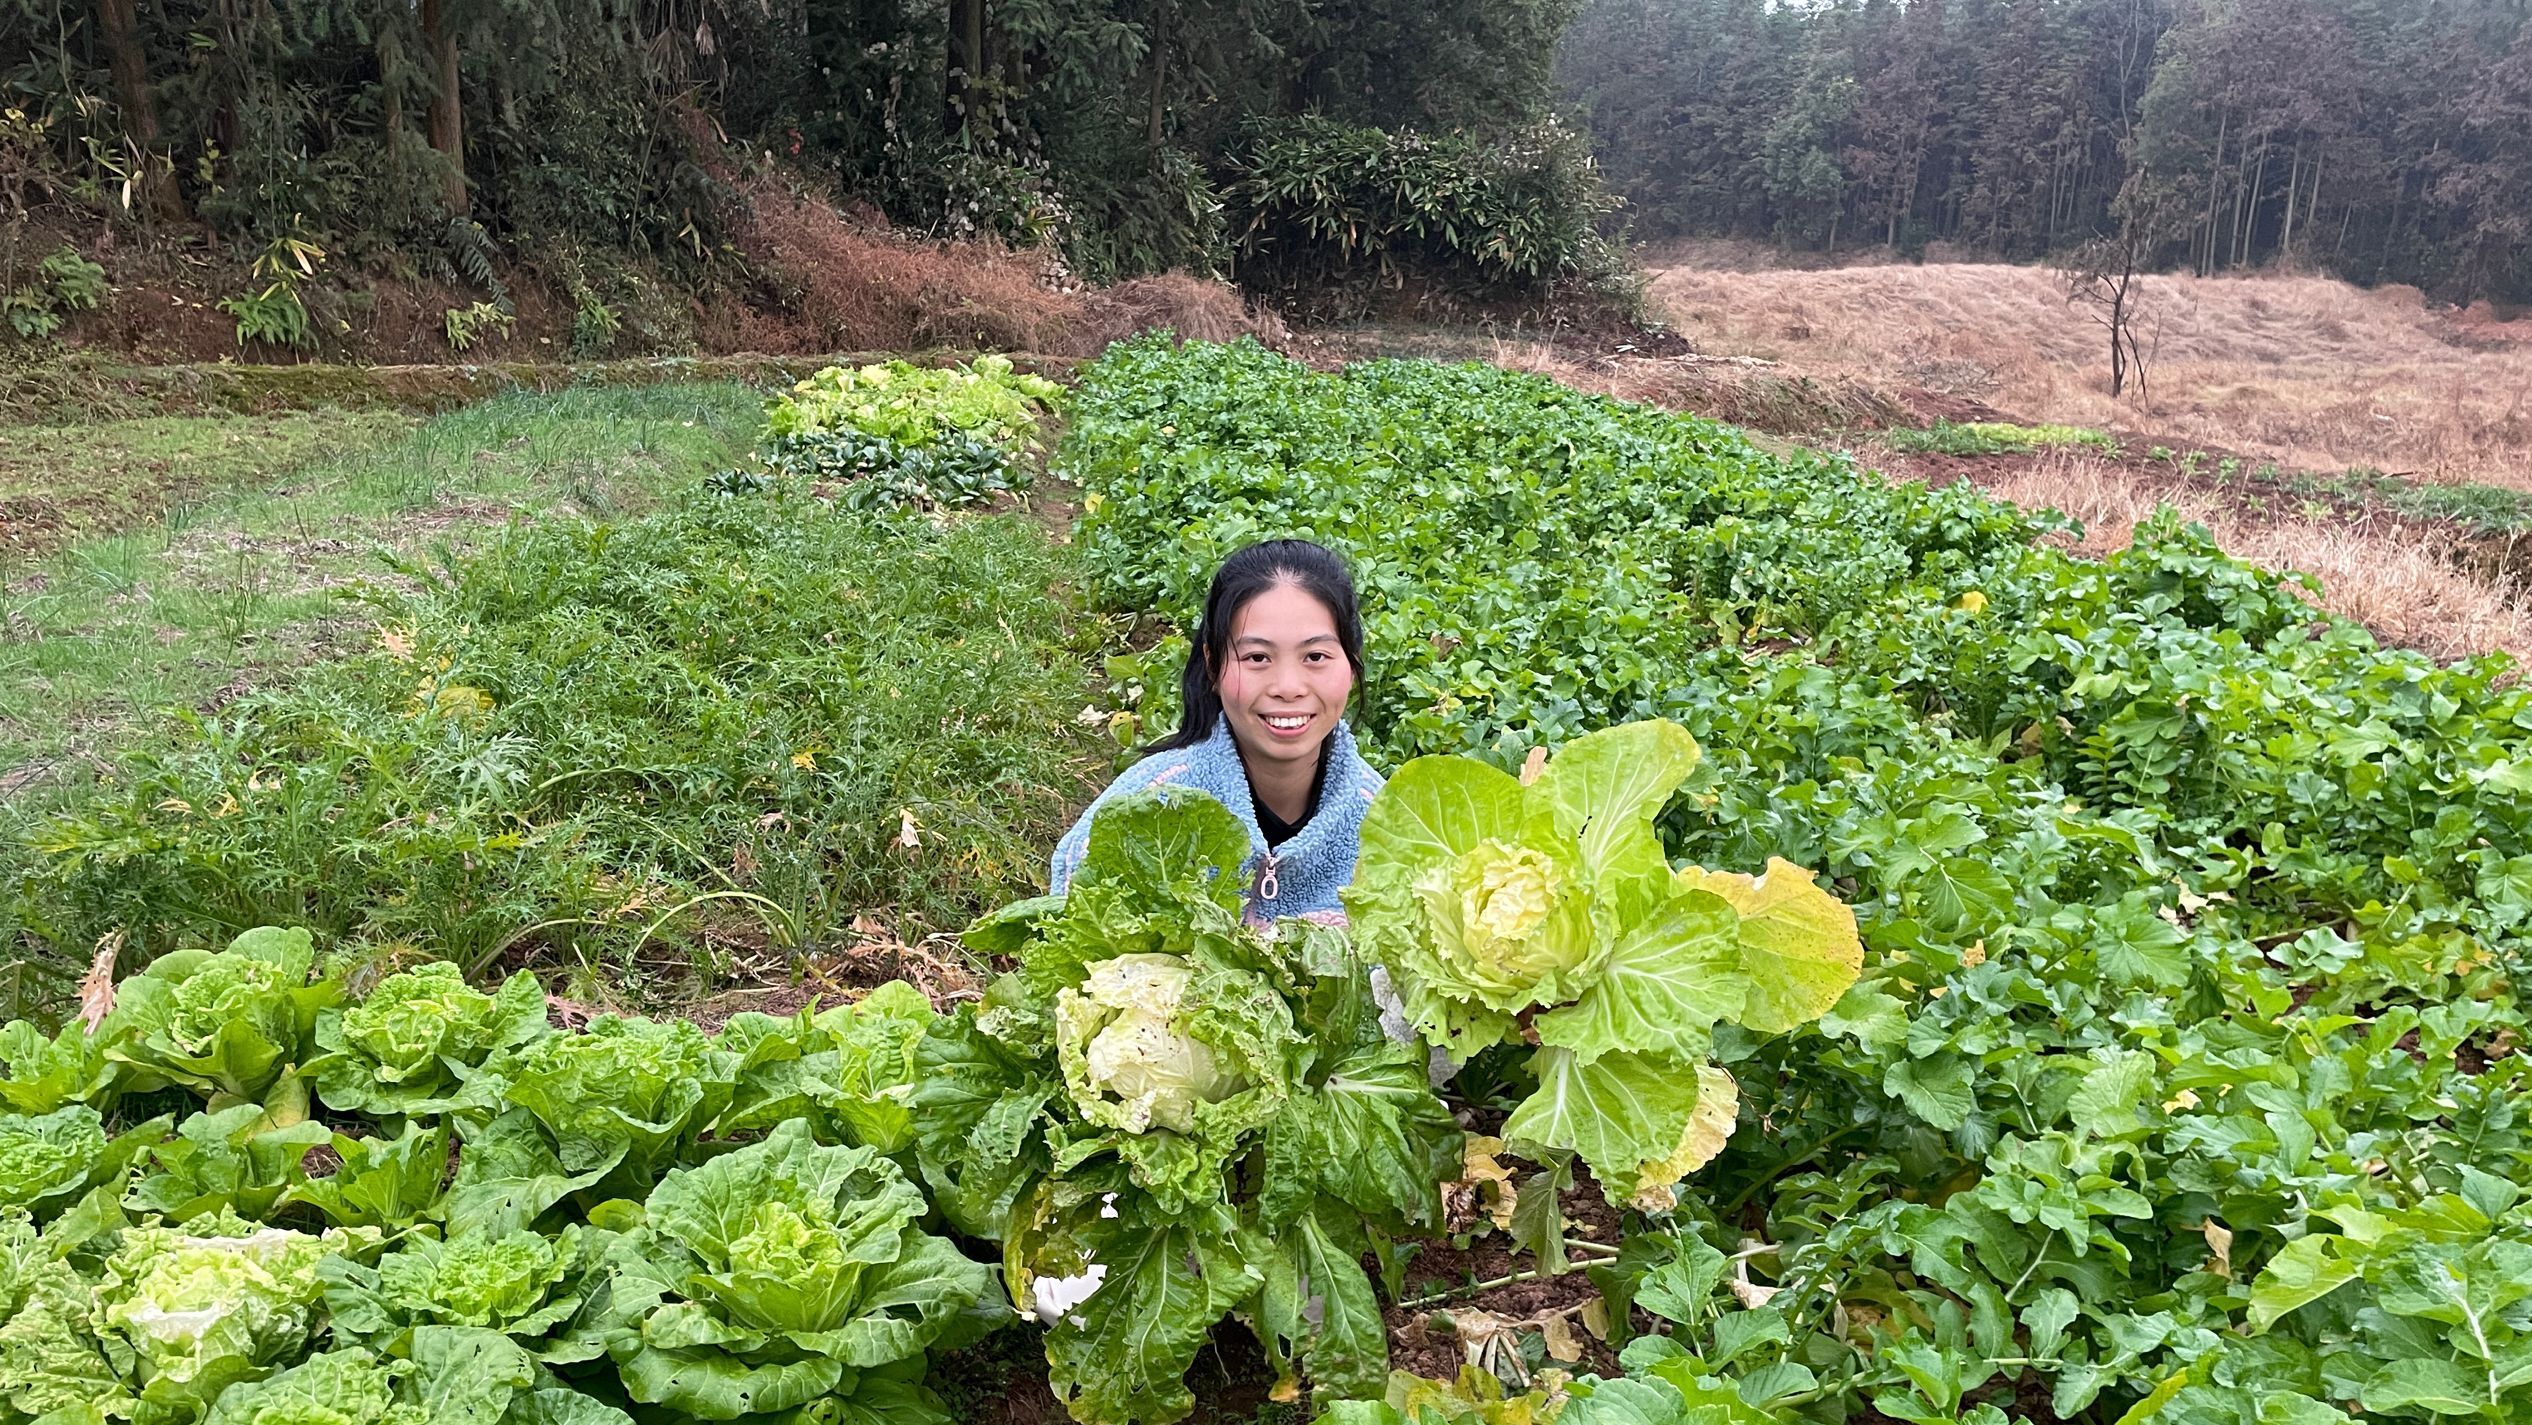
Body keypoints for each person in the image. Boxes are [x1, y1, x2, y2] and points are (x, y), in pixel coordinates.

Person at [1049, 539, 1382, 922]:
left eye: (1315, 656)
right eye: (1257, 657)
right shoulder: (1140, 811)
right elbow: (1075, 930)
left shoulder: (1389, 827)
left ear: (1352, 664)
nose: (1288, 687)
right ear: (1213, 665)